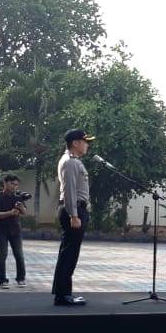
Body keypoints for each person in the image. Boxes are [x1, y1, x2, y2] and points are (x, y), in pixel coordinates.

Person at [51, 129, 94, 306]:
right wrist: (74, 215)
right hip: (73, 210)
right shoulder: (69, 162)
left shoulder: (74, 161)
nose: (87, 145)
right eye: (85, 141)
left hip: (76, 209)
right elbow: (69, 191)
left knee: (69, 253)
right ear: (75, 143)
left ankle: (63, 293)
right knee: (69, 254)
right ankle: (62, 295)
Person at [0, 174, 28, 289]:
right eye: (12, 184)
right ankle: (2, 280)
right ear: (5, 183)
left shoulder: (18, 197)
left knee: (19, 255)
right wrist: (10, 212)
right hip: (1, 230)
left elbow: (24, 212)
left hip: (15, 230)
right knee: (2, 255)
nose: (14, 186)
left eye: (16, 184)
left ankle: (21, 278)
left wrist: (20, 207)